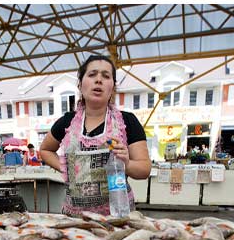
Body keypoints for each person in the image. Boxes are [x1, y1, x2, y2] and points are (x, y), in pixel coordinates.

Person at [39, 53, 151, 216]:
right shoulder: (67, 122)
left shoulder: (127, 122)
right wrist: (66, 168)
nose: (98, 80)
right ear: (80, 84)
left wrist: (126, 163)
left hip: (117, 217)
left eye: (106, 76)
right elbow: (45, 150)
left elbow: (144, 169)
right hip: (75, 219)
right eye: (92, 75)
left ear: (112, 86)